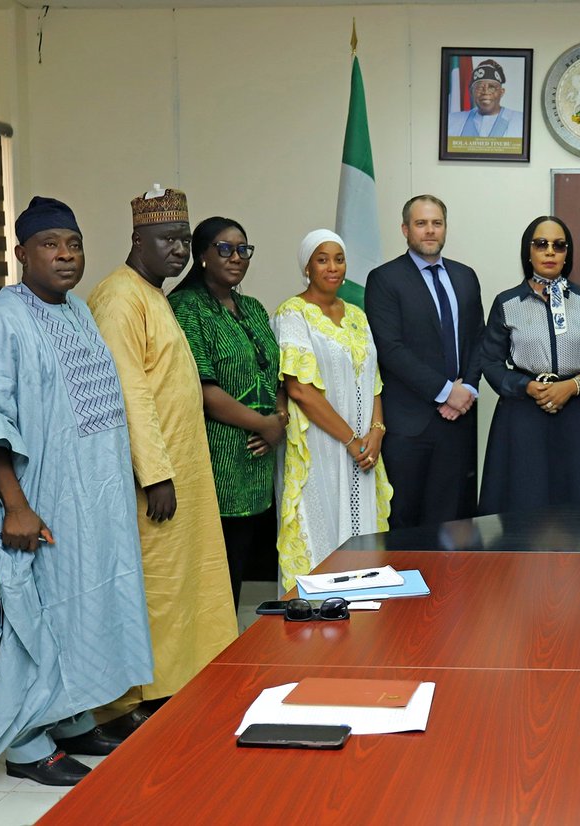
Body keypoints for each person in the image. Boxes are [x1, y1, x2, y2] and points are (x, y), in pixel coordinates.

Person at [0, 197, 152, 785]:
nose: (66, 254)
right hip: (36, 500)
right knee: (36, 612)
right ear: (21, 254)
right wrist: (17, 506)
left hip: (90, 499)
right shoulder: (1, 317)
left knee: (83, 605)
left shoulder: (76, 310)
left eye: (73, 243)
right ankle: (26, 743)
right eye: (51, 244)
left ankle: (71, 717)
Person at [87, 186, 236, 734]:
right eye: (166, 240)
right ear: (136, 240)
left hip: (183, 468)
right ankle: (138, 699)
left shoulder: (152, 294)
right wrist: (155, 473)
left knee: (183, 583)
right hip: (153, 478)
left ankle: (176, 684)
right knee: (156, 586)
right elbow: (130, 393)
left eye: (182, 239)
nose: (178, 250)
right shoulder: (119, 298)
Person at [169, 217, 286, 610]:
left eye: (243, 249)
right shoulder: (186, 308)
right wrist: (265, 425)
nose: (236, 257)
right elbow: (201, 390)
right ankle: (212, 658)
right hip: (217, 462)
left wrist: (279, 420)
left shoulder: (252, 307)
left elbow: (278, 376)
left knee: (240, 570)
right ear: (202, 255)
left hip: (256, 466)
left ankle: (228, 650)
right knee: (214, 577)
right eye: (224, 248)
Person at [274, 229, 392, 589]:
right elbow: (299, 389)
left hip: (363, 452)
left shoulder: (357, 314)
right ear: (306, 267)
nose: (332, 267)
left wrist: (376, 433)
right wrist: (351, 440)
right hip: (320, 447)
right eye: (322, 259)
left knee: (362, 547)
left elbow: (373, 378)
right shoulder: (292, 314)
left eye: (338, 258)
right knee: (320, 541)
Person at [365, 195, 484, 529]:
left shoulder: (465, 276)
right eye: (421, 224)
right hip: (409, 425)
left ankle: (448, 584)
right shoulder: (385, 279)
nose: (430, 231)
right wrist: (446, 391)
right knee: (405, 520)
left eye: (437, 223)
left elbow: (480, 338)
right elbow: (390, 348)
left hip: (458, 422)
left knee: (453, 522)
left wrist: (468, 388)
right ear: (405, 229)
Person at [479, 215, 580, 512]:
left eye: (559, 245)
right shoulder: (507, 302)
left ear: (567, 254)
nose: (550, 251)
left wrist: (571, 387)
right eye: (541, 244)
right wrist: (526, 387)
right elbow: (490, 361)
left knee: (579, 504)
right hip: (523, 414)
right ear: (529, 252)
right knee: (524, 502)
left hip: (576, 413)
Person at [447, 59, 524, 139]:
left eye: (492, 87)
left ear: (501, 92)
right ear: (471, 92)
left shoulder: (521, 121)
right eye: (479, 87)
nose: (485, 91)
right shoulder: (452, 121)